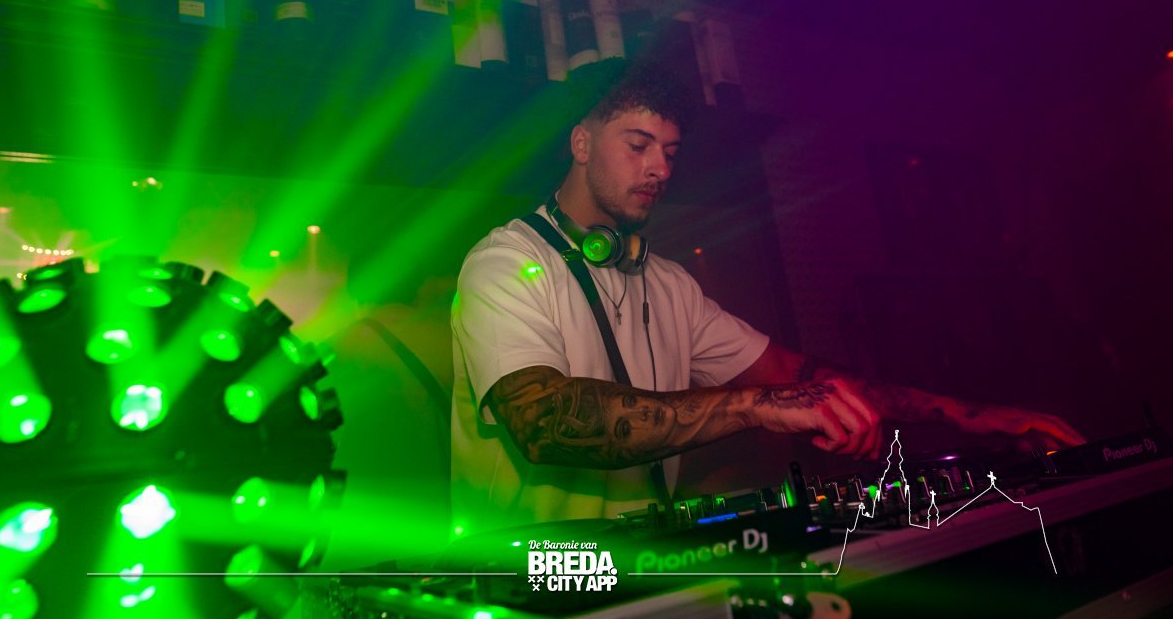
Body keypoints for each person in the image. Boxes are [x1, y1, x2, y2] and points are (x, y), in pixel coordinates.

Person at [450, 58, 1084, 537]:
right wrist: (755, 407)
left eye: (670, 152)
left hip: (645, 562)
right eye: (638, 145)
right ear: (582, 144)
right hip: (530, 572)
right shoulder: (505, 263)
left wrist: (975, 416)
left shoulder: (668, 283)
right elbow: (544, 422)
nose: (661, 169)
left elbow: (796, 376)